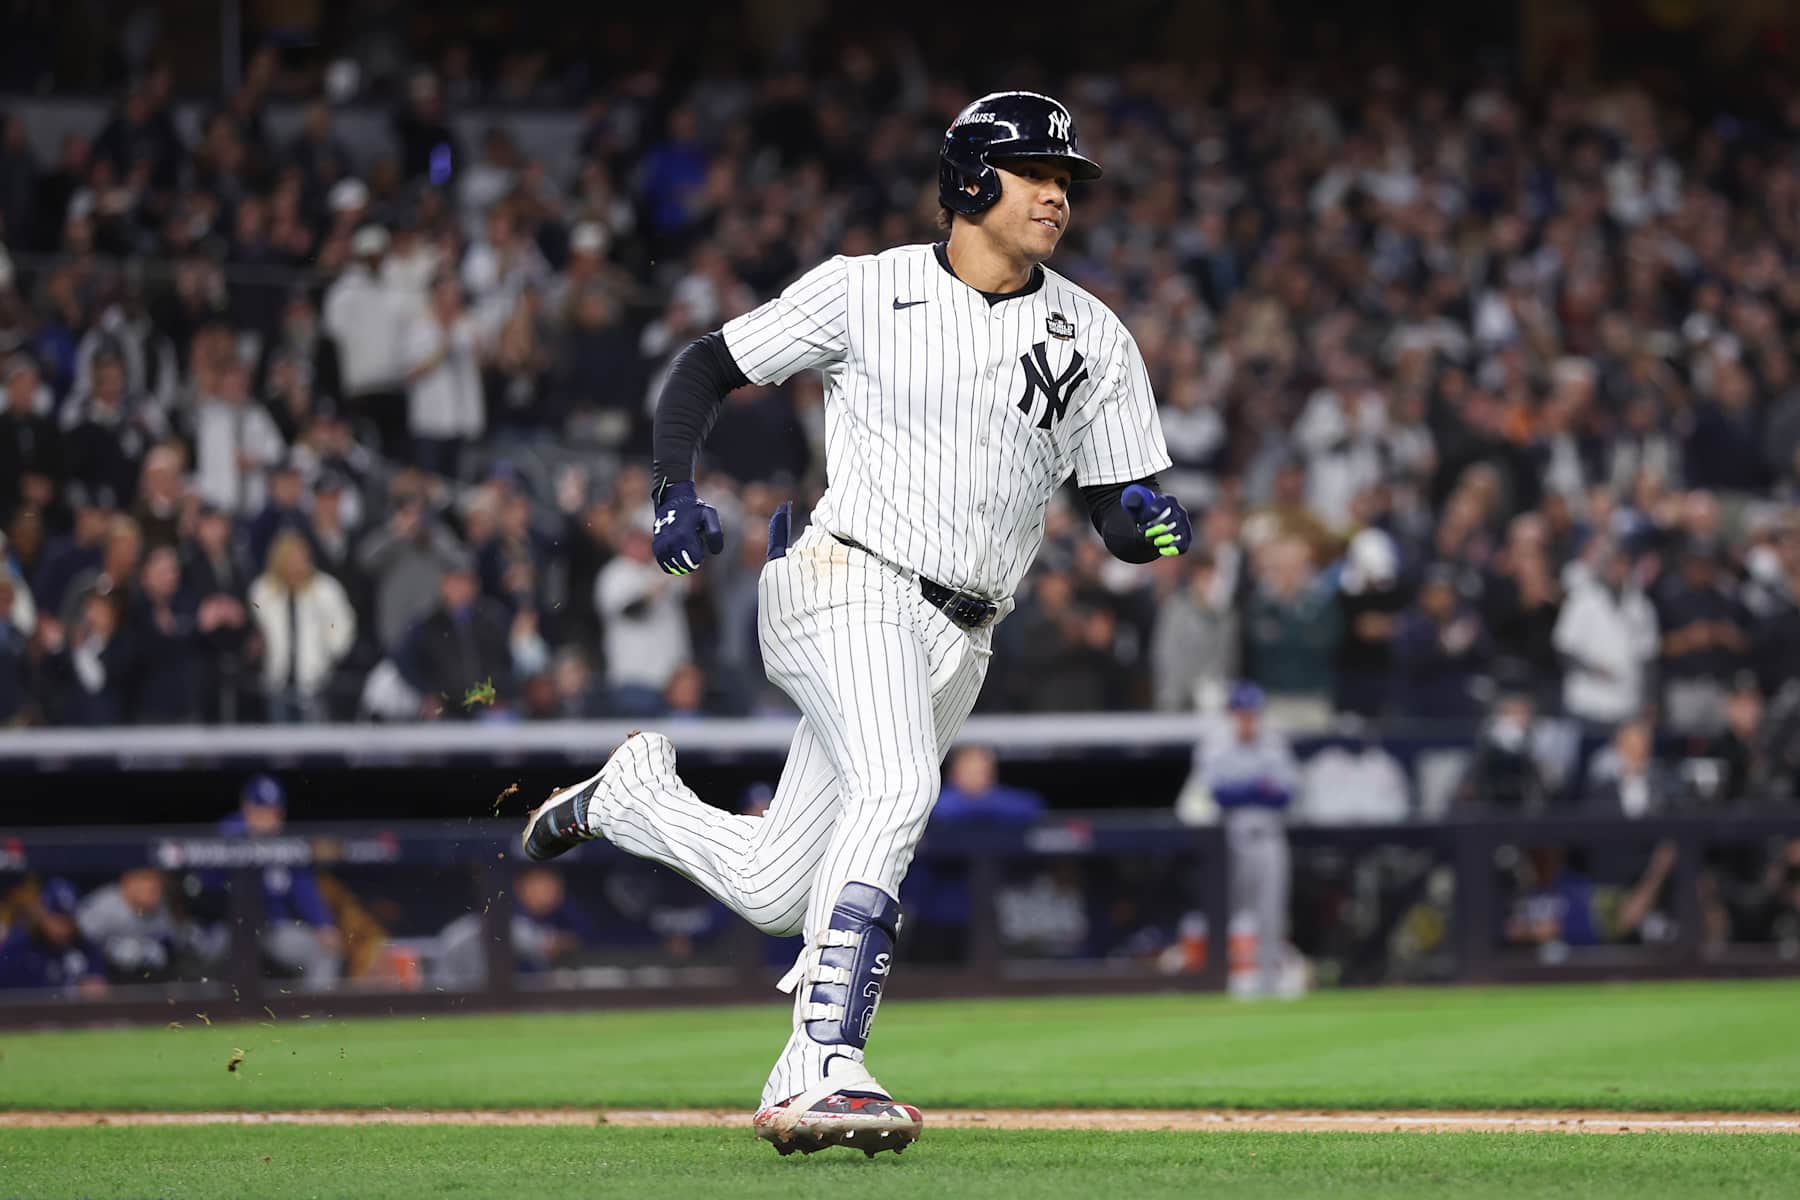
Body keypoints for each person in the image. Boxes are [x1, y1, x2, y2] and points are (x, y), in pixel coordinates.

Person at [519, 92, 1191, 1155]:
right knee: (899, 785)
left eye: (1066, 179)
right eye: (1034, 172)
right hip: (844, 579)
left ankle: (633, 799)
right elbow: (705, 367)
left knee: (777, 888)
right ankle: (818, 1062)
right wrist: (672, 490)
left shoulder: (1096, 335)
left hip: (963, 635)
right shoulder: (866, 288)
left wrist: (1145, 522)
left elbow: (1116, 507)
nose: (1058, 194)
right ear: (971, 180)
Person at [1176, 683, 1299, 998]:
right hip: (1229, 836)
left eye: (1252, 713)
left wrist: (1246, 789)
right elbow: (1218, 793)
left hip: (1269, 833)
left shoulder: (1274, 742)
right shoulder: (1215, 744)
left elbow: (1286, 794)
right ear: (1232, 714)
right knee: (1227, 910)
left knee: (1271, 912)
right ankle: (1225, 978)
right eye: (1242, 713)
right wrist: (1258, 787)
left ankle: (1268, 983)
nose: (1248, 720)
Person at [218, 775, 344, 990]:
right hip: (228, 929)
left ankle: (313, 1010)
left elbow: (304, 890)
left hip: (275, 929)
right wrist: (251, 836)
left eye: (273, 812)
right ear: (246, 808)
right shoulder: (228, 836)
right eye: (260, 811)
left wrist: (323, 924)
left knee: (326, 949)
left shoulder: (286, 845)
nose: (267, 819)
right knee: (205, 951)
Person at [247, 530, 357, 722]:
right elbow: (256, 625)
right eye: (290, 557)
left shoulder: (325, 589)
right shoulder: (262, 591)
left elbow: (340, 625)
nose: (295, 563)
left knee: (315, 734)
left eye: (300, 556)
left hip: (315, 681)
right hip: (276, 681)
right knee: (278, 734)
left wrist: (330, 652)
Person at [0, 878, 108, 995]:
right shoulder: (18, 947)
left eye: (68, 921)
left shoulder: (83, 947)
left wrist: (93, 985)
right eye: (57, 920)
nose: (63, 929)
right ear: (43, 913)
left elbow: (97, 981)